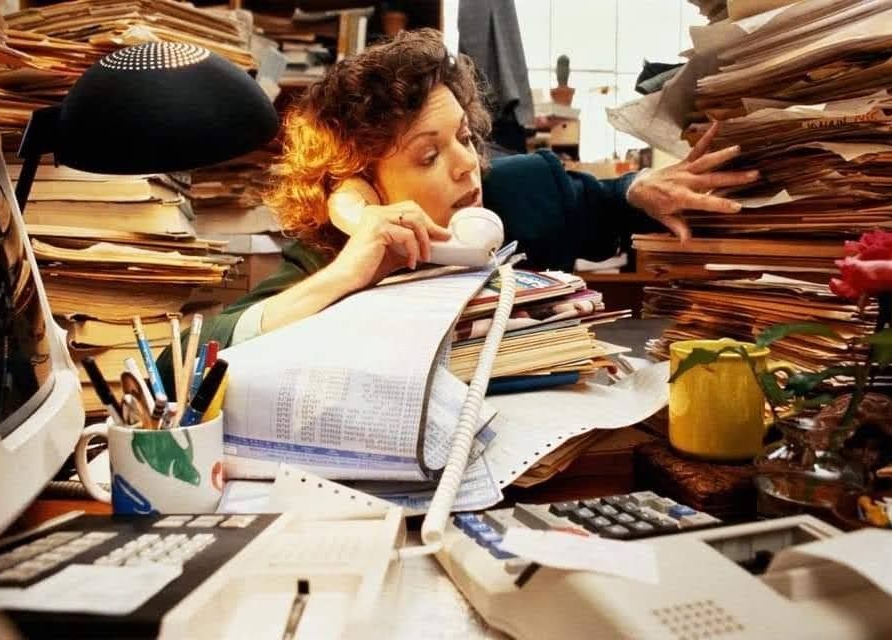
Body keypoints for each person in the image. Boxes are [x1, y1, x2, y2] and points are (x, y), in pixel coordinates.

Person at [156, 29, 757, 389]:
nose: (467, 165)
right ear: (365, 185)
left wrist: (637, 188)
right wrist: (349, 267)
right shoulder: (330, 256)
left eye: (463, 138)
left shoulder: (521, 190)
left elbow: (603, 203)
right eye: (428, 155)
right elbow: (184, 358)